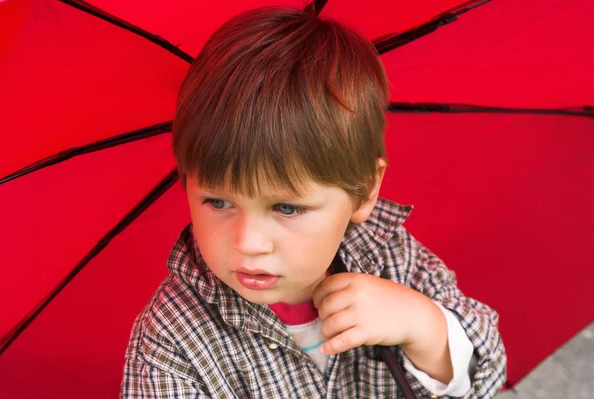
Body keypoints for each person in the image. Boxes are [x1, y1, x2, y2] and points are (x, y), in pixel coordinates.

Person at [121, 5, 506, 398]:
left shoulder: (391, 259)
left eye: (287, 207)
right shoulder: (172, 343)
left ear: (366, 190)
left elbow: (489, 371)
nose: (248, 243)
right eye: (218, 202)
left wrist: (424, 328)